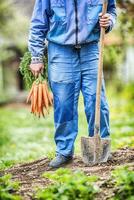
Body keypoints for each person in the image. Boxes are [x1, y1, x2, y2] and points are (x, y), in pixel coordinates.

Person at [28, 0, 117, 168]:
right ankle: (64, 152)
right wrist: (36, 57)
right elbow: (38, 23)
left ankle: (100, 146)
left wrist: (109, 20)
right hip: (60, 50)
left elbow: (111, 10)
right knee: (64, 104)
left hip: (90, 48)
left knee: (97, 101)